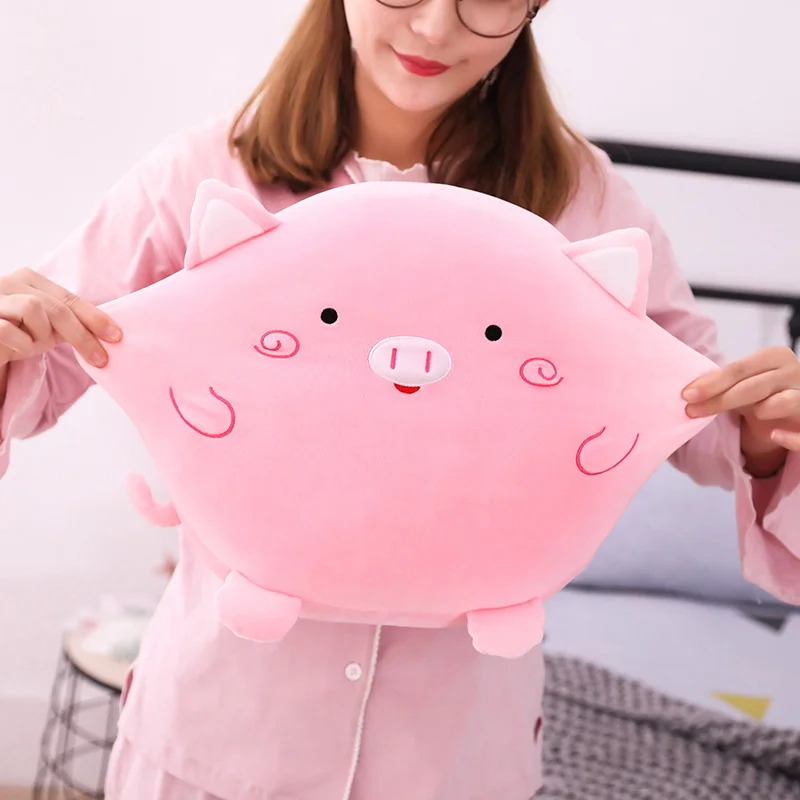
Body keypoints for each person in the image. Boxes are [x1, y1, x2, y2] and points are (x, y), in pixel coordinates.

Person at [1, 0, 799, 797]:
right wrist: (12, 337)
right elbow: (48, 367)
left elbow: (696, 408)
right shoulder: (201, 176)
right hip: (222, 735)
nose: (434, 29)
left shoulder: (586, 202)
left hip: (456, 755)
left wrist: (765, 431)